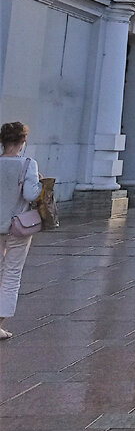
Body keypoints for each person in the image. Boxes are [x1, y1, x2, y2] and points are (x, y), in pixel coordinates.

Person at [1, 121, 42, 339]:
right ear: (23, 141)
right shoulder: (28, 164)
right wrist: (40, 183)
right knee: (11, 274)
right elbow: (30, 195)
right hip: (16, 228)